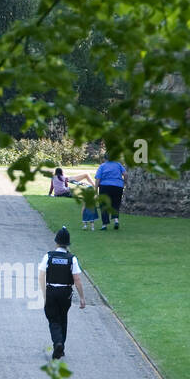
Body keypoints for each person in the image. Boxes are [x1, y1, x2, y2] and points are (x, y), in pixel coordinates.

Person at [37, 227, 86, 360]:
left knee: (53, 319)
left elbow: (41, 276)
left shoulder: (49, 256)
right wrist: (82, 297)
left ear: (56, 242)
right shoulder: (72, 259)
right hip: (65, 293)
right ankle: (61, 347)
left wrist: (44, 293)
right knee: (63, 318)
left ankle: (58, 343)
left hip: (51, 291)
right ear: (68, 243)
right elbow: (77, 280)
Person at [94, 153, 127, 230]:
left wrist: (95, 190)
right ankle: (116, 220)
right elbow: (125, 174)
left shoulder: (102, 166)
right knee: (115, 204)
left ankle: (104, 225)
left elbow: (98, 179)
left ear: (105, 158)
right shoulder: (118, 165)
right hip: (118, 187)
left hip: (105, 187)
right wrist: (124, 182)